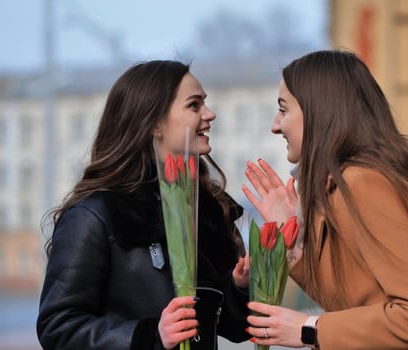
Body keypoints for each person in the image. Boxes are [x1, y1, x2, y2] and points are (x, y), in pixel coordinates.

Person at [242, 50, 408, 349]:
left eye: (283, 109)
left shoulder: (363, 183)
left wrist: (307, 328)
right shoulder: (343, 186)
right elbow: (354, 304)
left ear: (320, 111)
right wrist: (294, 240)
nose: (276, 125)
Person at [37, 60, 250, 350]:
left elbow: (232, 329)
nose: (209, 115)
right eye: (194, 105)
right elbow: (57, 327)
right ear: (154, 124)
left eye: (205, 104)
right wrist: (150, 336)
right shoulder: (96, 214)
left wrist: (239, 288)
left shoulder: (208, 211)